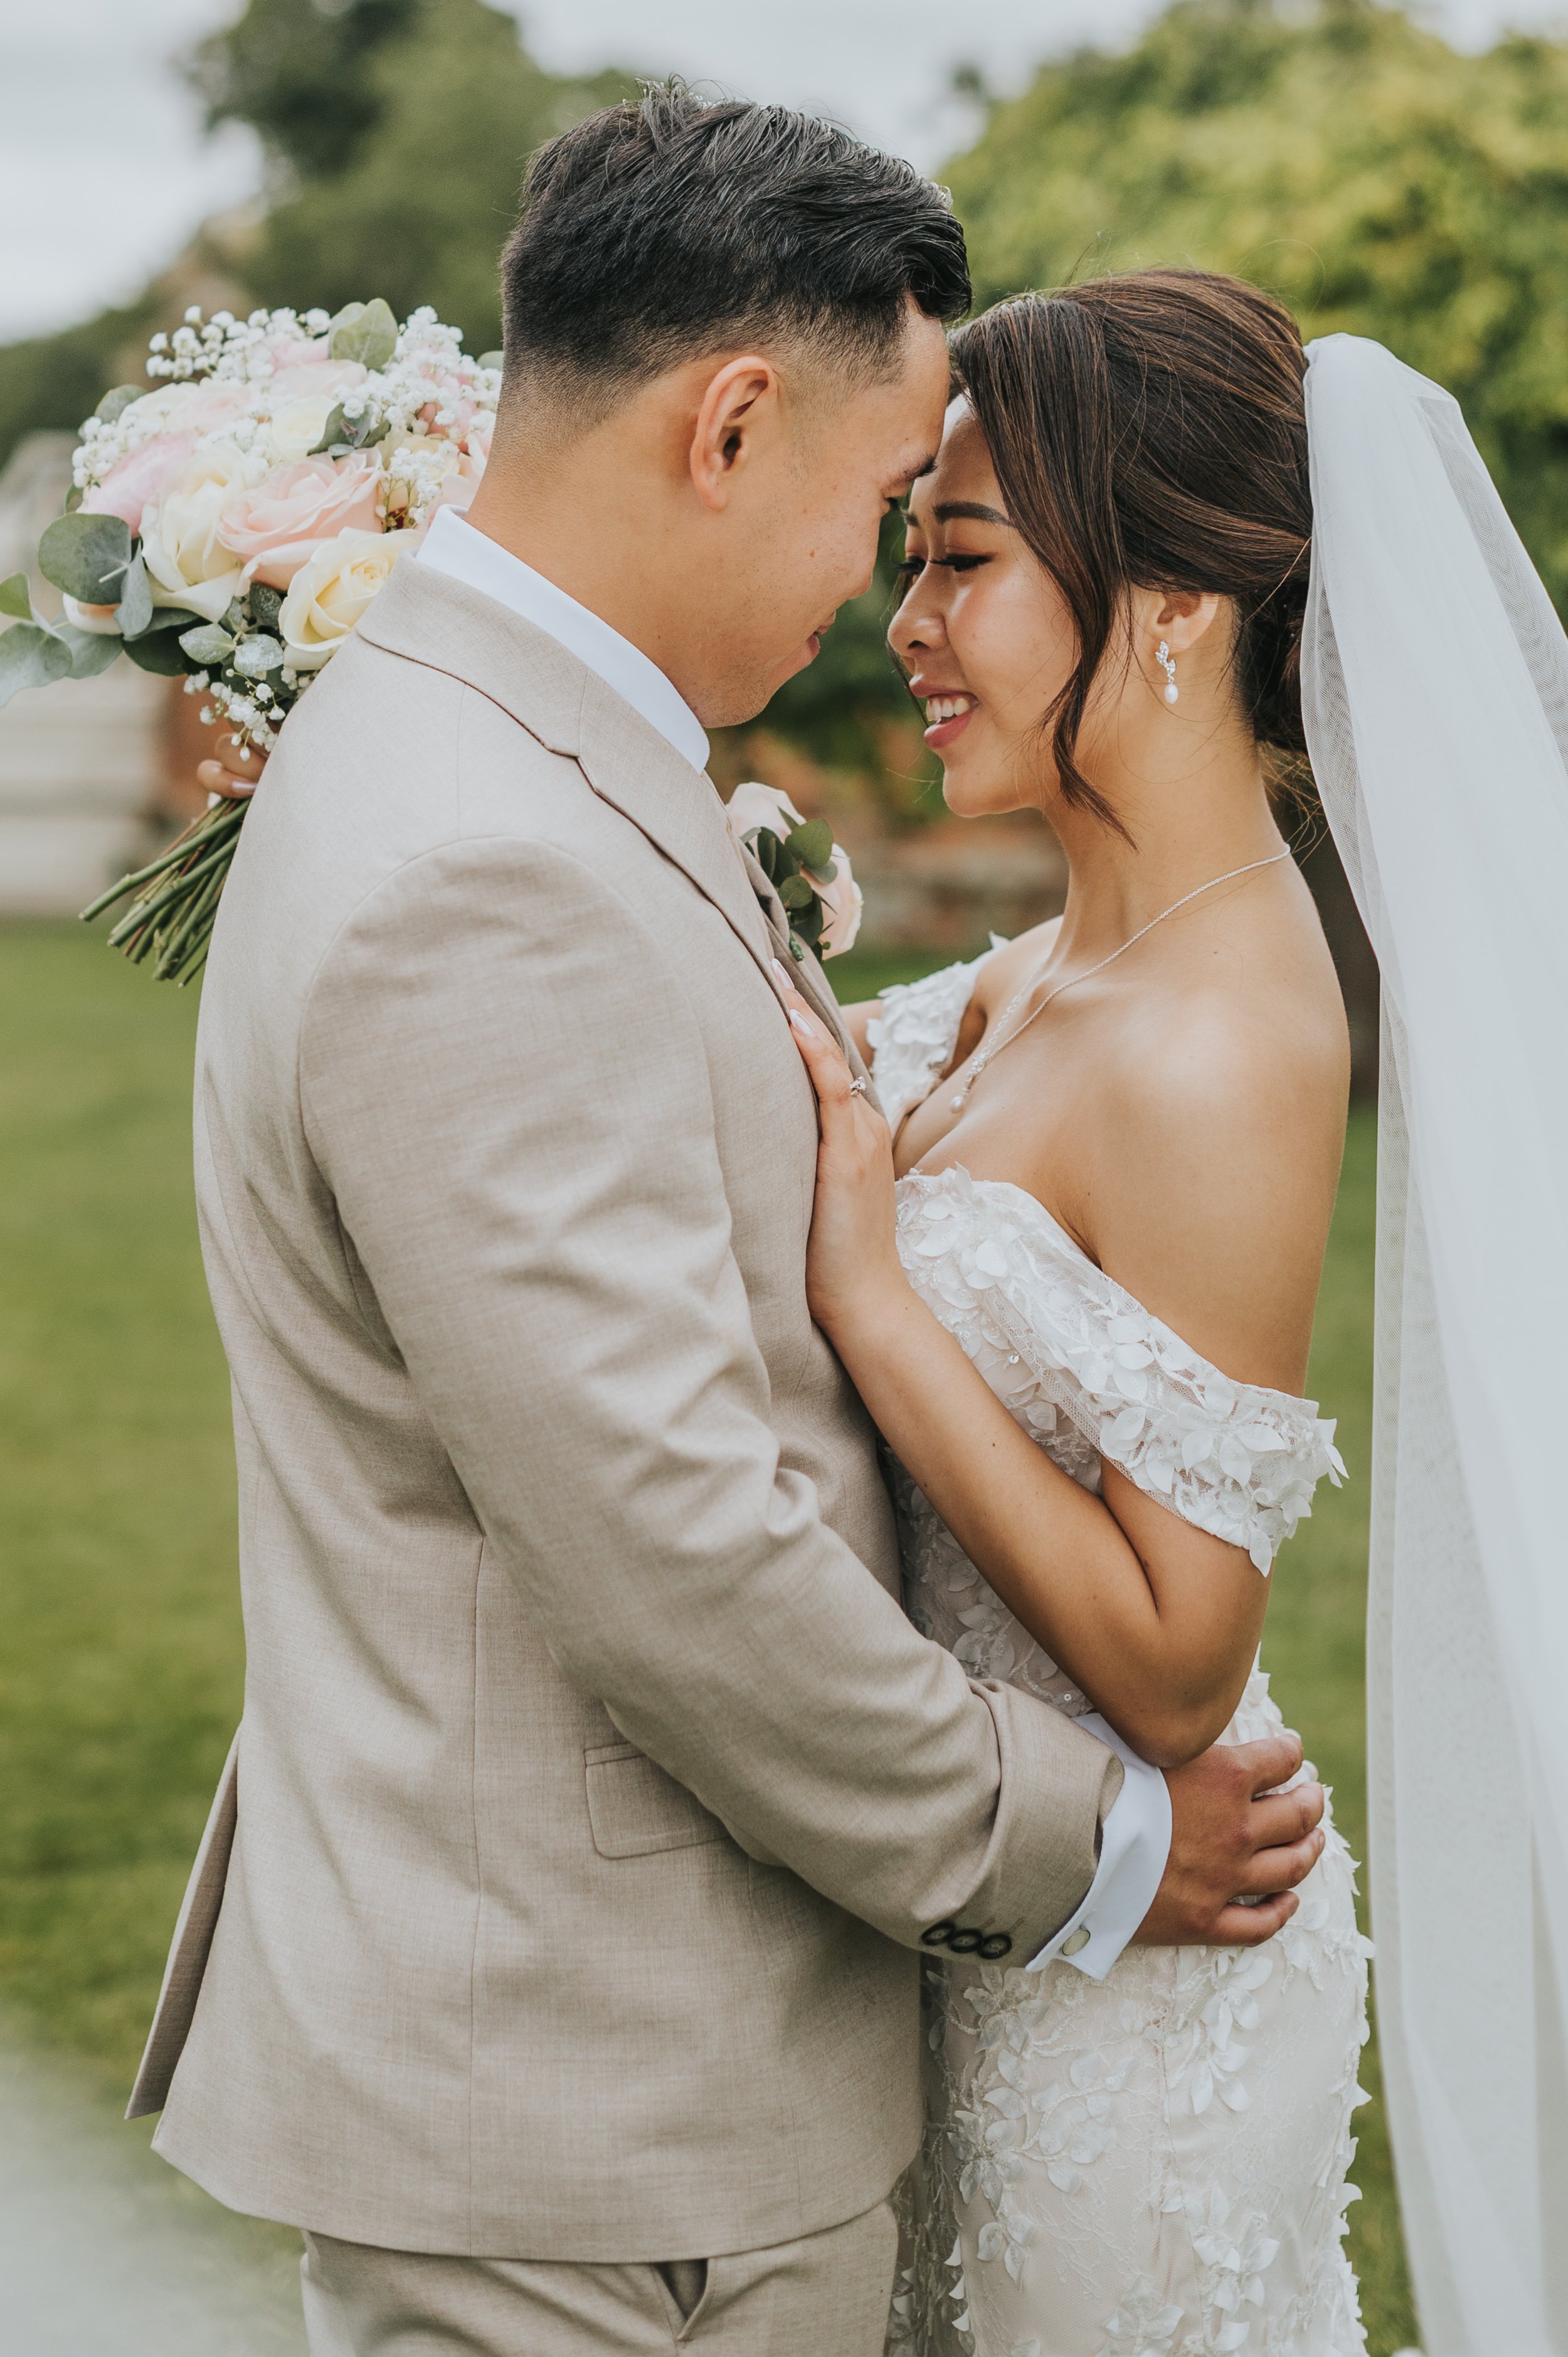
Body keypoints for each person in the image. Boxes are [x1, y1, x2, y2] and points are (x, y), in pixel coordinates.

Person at [130, 97, 1325, 2357]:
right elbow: (672, 1548)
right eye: (890, 510)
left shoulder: (509, 752)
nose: (883, 604)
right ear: (732, 420)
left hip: (674, 2072)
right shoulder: (485, 859)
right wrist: (1107, 1847)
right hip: (594, 2122)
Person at [780, 272, 1370, 2354]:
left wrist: (875, 1294)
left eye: (959, 564)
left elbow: (1178, 1660)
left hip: (1143, 1998)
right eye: (903, 562)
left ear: (1177, 612)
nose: (906, 630)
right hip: (986, 1914)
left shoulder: (1219, 1042)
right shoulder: (1047, 969)